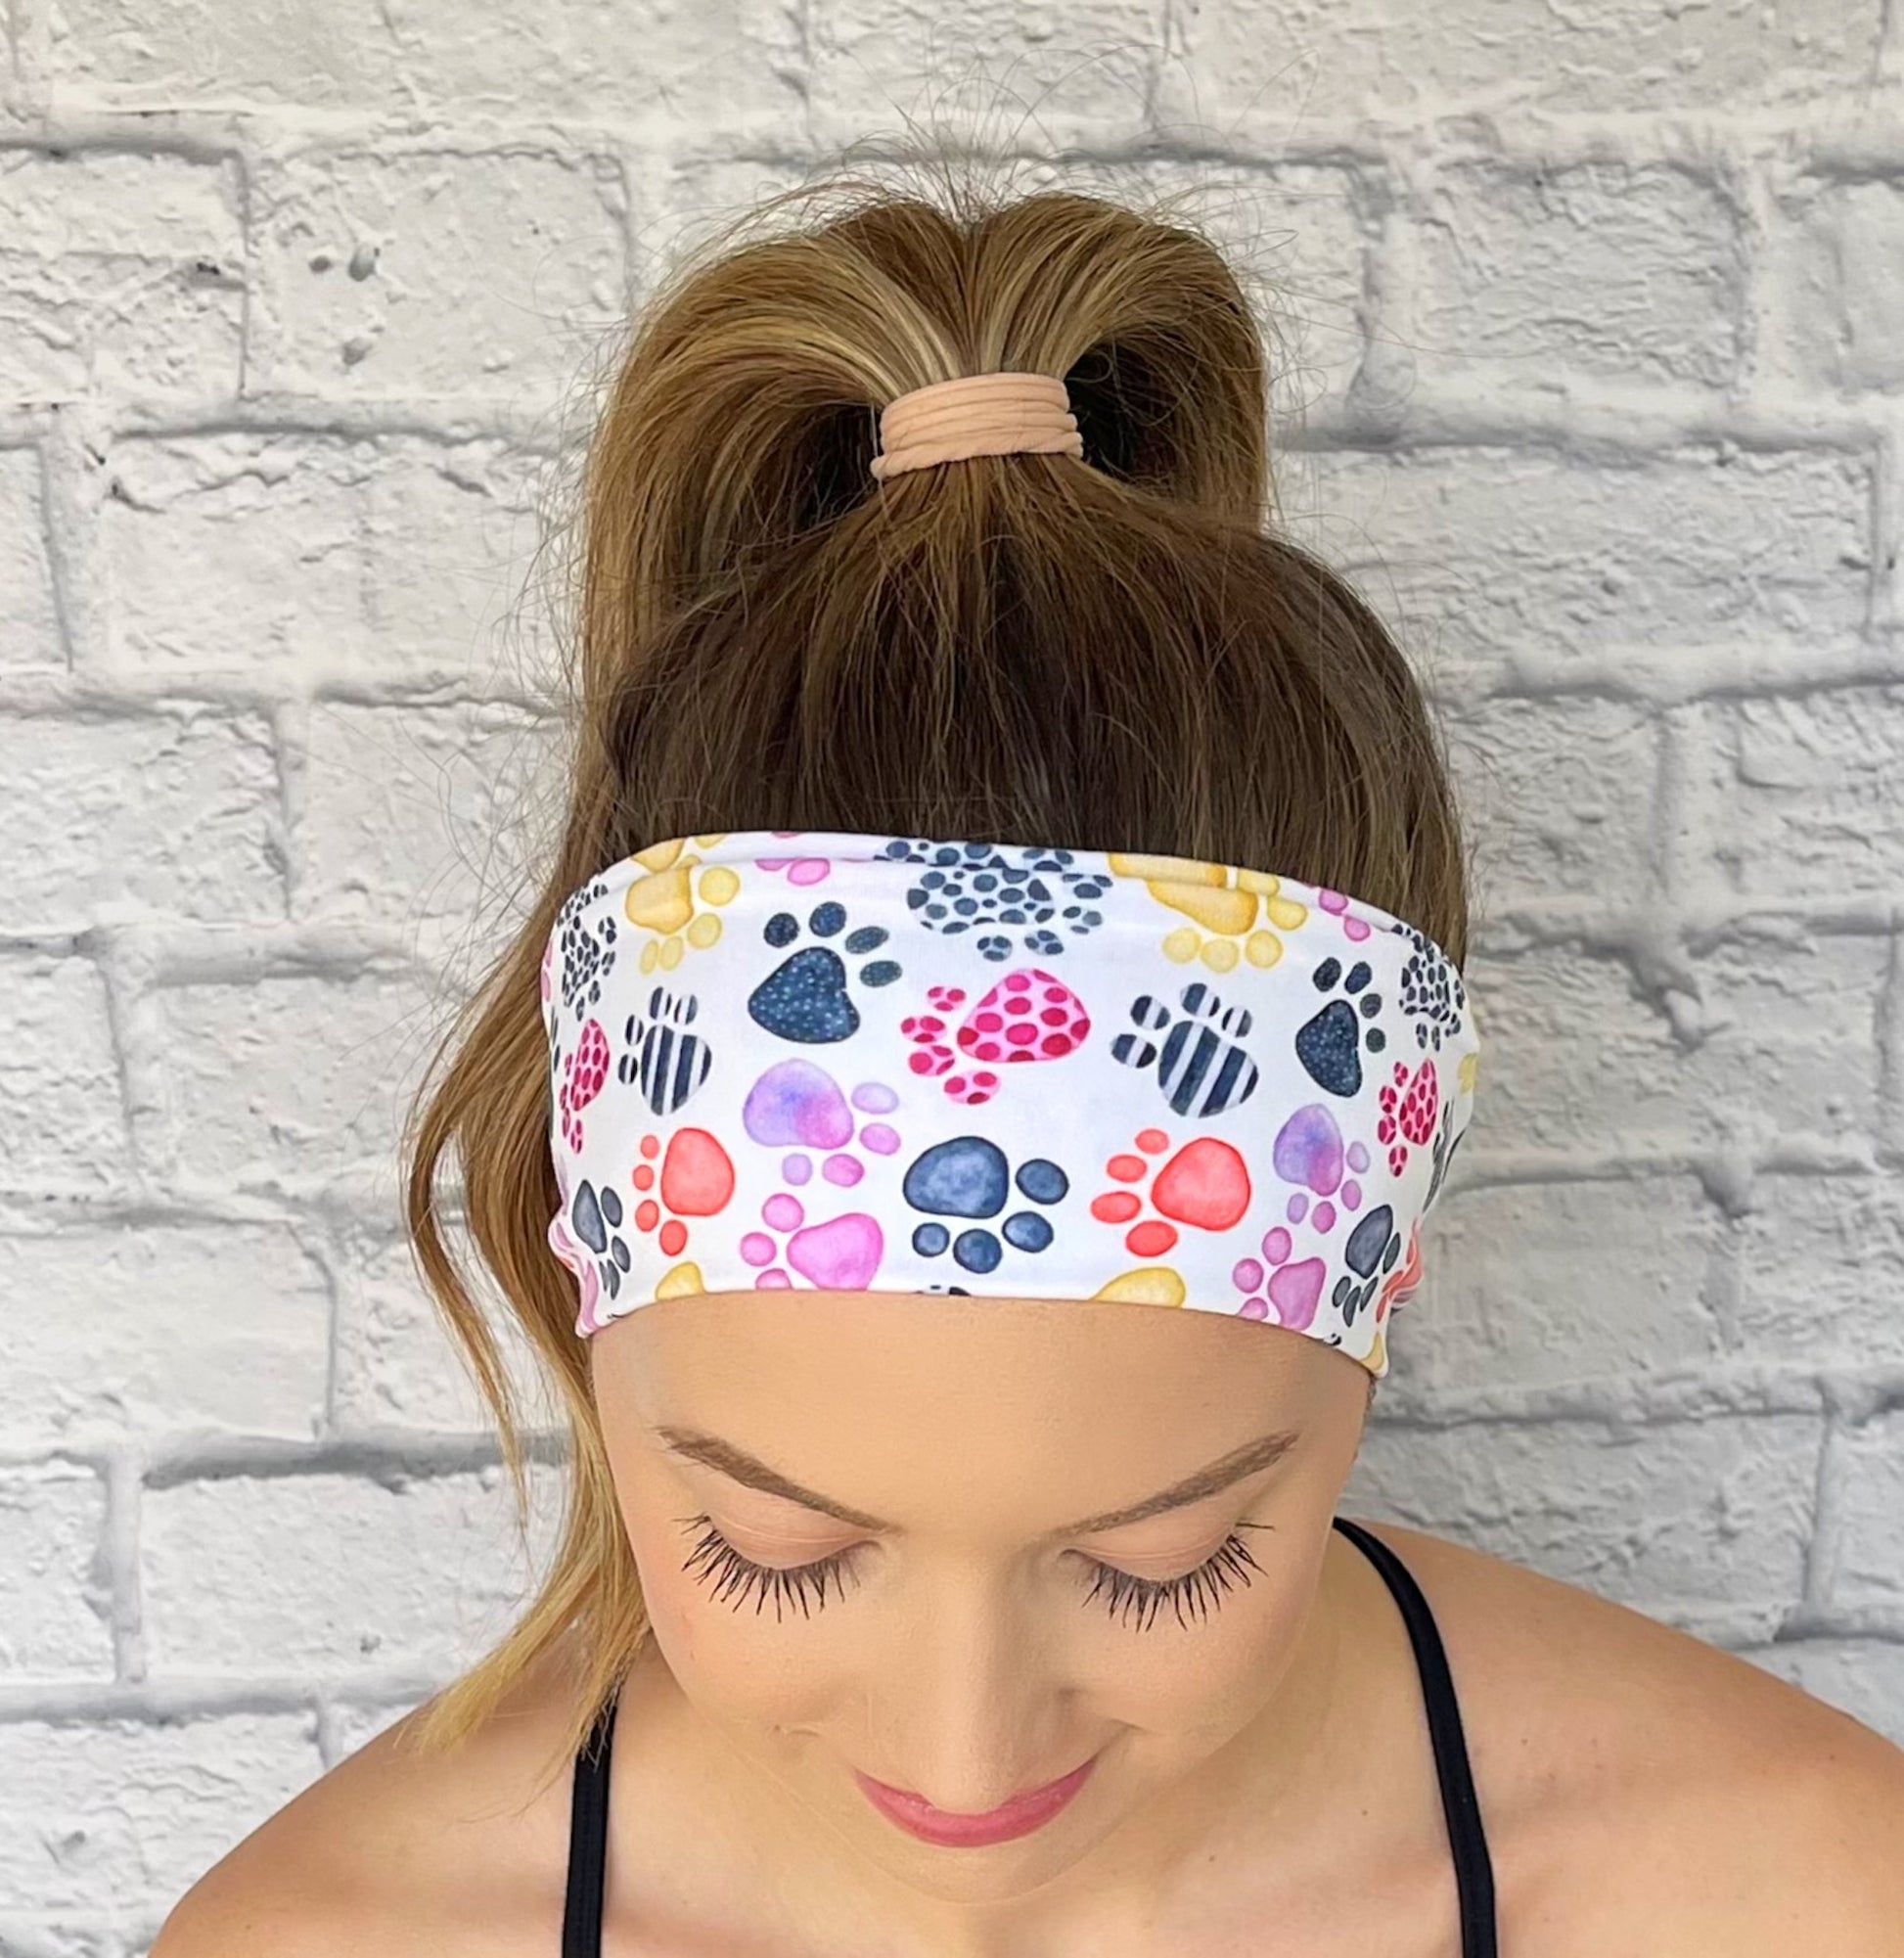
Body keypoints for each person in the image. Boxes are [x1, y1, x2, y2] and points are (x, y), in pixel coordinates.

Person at [154, 162, 1904, 1958]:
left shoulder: (1803, 1893)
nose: (963, 1749)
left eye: (1169, 1559)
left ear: (1377, 1309)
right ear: (585, 1304)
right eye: (772, 1547)